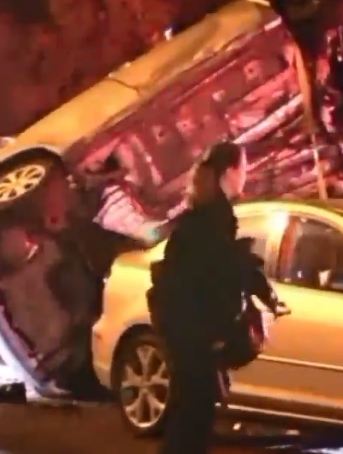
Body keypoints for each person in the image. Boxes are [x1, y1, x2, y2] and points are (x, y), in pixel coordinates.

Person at [147, 141, 247, 454]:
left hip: (184, 331)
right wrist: (217, 331)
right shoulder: (215, 220)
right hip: (196, 334)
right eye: (243, 168)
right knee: (193, 414)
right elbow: (211, 279)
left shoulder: (198, 219)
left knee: (188, 410)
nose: (246, 175)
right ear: (228, 174)